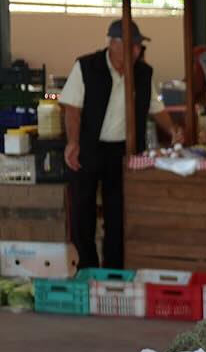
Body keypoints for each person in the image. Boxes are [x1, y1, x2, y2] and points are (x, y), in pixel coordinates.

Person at [61, 19, 183, 269]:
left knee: (117, 213)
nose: (137, 51)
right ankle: (87, 267)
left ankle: (114, 268)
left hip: (123, 152)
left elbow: (155, 108)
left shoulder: (142, 73)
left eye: (138, 46)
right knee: (83, 209)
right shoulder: (87, 66)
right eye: (133, 46)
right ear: (113, 44)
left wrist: (172, 129)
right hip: (89, 146)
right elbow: (72, 108)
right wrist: (73, 142)